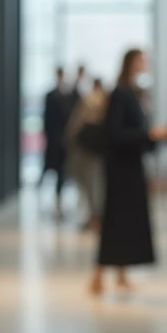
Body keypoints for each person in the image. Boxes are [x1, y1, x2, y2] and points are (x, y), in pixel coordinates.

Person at [91, 49, 167, 295]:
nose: (145, 64)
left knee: (126, 223)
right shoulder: (121, 93)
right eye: (142, 60)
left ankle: (121, 274)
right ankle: (98, 276)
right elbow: (115, 134)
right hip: (121, 171)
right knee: (117, 222)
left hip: (130, 167)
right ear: (131, 63)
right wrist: (149, 135)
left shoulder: (132, 93)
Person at [42, 65, 84, 219]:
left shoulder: (68, 96)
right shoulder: (51, 96)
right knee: (51, 171)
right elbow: (46, 120)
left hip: (65, 142)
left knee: (63, 172)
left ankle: (60, 201)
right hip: (54, 141)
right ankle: (53, 200)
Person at [66, 78, 107, 231]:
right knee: (96, 184)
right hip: (97, 151)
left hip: (90, 150)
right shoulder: (104, 100)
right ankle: (96, 216)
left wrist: (70, 139)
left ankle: (95, 217)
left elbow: (75, 124)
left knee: (92, 185)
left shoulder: (89, 100)